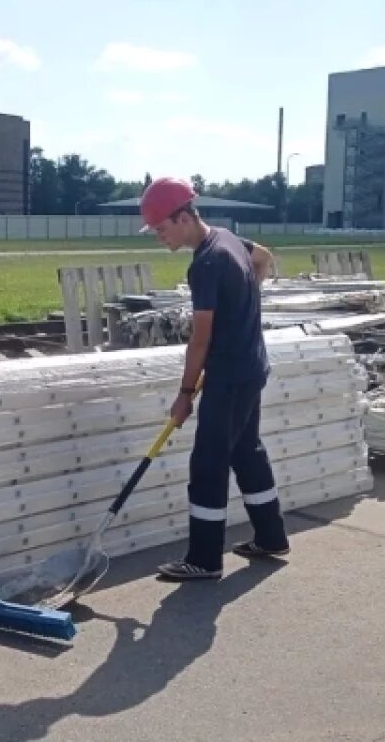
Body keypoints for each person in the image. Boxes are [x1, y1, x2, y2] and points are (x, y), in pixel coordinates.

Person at [138, 176, 290, 580]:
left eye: (161, 228)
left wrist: (185, 393)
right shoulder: (229, 240)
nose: (158, 237)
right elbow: (264, 258)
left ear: (184, 217)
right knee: (246, 451)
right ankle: (272, 537)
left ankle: (204, 559)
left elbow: (200, 338)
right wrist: (243, 305)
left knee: (208, 463)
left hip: (228, 376)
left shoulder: (206, 263)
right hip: (252, 367)